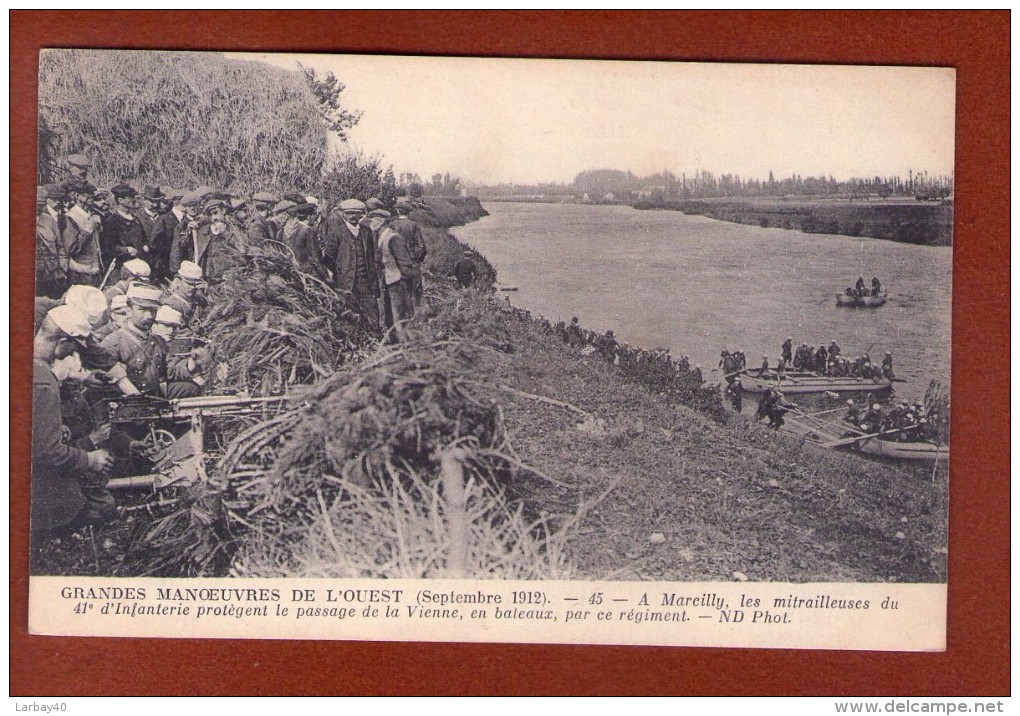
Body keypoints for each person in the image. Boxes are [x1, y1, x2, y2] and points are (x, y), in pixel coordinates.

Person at [32, 305, 115, 534]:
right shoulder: (43, 382)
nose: (71, 354)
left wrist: (58, 428)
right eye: (72, 348)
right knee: (97, 507)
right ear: (61, 342)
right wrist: (89, 459)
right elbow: (48, 452)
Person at [319, 199, 380, 331]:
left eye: (356, 213)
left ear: (361, 215)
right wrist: (340, 272)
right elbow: (329, 258)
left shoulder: (367, 232)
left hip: (366, 282)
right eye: (349, 213)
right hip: (346, 282)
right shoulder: (337, 232)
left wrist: (374, 279)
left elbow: (373, 257)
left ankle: (375, 339)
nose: (352, 216)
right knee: (350, 315)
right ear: (344, 215)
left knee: (371, 313)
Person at [99, 283, 167, 396]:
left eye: (153, 310)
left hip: (155, 398)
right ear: (128, 311)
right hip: (129, 404)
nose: (149, 316)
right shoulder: (112, 343)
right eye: (142, 309)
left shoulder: (158, 341)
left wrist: (190, 365)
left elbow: (170, 370)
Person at [370, 209, 418, 329]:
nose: (371, 222)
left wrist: (404, 282)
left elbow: (405, 263)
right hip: (389, 281)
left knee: (399, 315)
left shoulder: (393, 238)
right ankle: (394, 341)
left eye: (373, 219)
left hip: (398, 282)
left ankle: (403, 342)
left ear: (380, 221)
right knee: (390, 314)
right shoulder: (380, 236)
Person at [100, 184, 149, 280]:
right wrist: (126, 250)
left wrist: (145, 246)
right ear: (120, 200)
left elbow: (143, 239)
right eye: (129, 197)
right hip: (121, 269)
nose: (133, 200)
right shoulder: (111, 221)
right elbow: (108, 248)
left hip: (139, 267)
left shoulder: (136, 219)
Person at [62, 179, 104, 286]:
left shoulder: (91, 214)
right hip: (80, 273)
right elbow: (72, 249)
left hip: (95, 271)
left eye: (92, 194)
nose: (91, 197)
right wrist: (88, 230)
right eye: (87, 195)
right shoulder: (71, 217)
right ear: (77, 195)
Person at [36, 183, 71, 298]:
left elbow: (59, 246)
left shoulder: (49, 220)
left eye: (41, 206)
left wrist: (63, 264)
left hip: (53, 274)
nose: (39, 209)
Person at [389, 198, 427, 304]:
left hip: (395, 261)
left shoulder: (392, 224)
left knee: (397, 286)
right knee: (415, 286)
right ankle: (417, 308)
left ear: (397, 211)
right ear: (408, 212)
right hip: (411, 260)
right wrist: (418, 259)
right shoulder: (412, 225)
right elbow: (421, 246)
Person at [281, 201, 328, 280]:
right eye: (314, 214)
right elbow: (316, 256)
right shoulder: (308, 231)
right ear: (309, 217)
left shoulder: (288, 228)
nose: (316, 217)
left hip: (291, 269)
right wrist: (325, 276)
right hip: (307, 272)